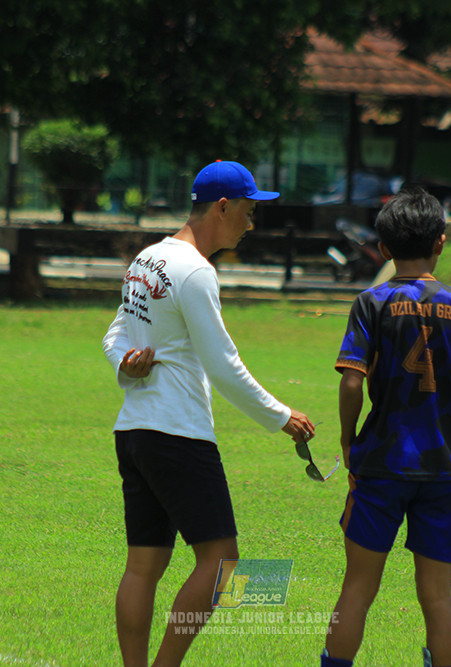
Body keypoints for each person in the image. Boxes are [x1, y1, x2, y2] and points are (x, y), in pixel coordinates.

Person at [102, 160, 315, 667]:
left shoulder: (146, 259)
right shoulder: (196, 270)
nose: (251, 222)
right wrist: (280, 415)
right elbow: (223, 365)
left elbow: (114, 337)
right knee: (223, 562)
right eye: (247, 210)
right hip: (178, 434)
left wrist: (125, 368)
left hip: (134, 432)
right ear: (222, 207)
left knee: (143, 566)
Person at [321, 187, 451, 667]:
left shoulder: (371, 302)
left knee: (357, 590)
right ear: (441, 243)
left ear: (383, 249)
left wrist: (346, 439)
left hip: (380, 463)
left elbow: (352, 382)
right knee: (437, 598)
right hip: (442, 469)